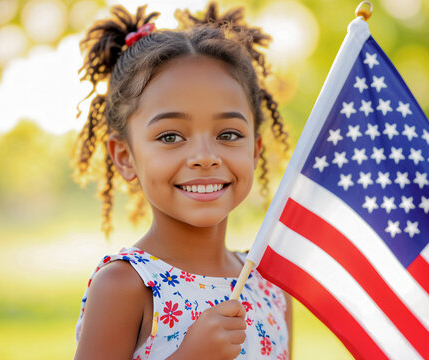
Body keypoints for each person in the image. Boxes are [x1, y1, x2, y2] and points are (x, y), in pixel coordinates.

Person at [72, 2, 292, 359]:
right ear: (125, 157)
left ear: (255, 150)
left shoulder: (269, 284)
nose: (205, 156)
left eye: (229, 134)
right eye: (171, 136)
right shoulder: (125, 286)